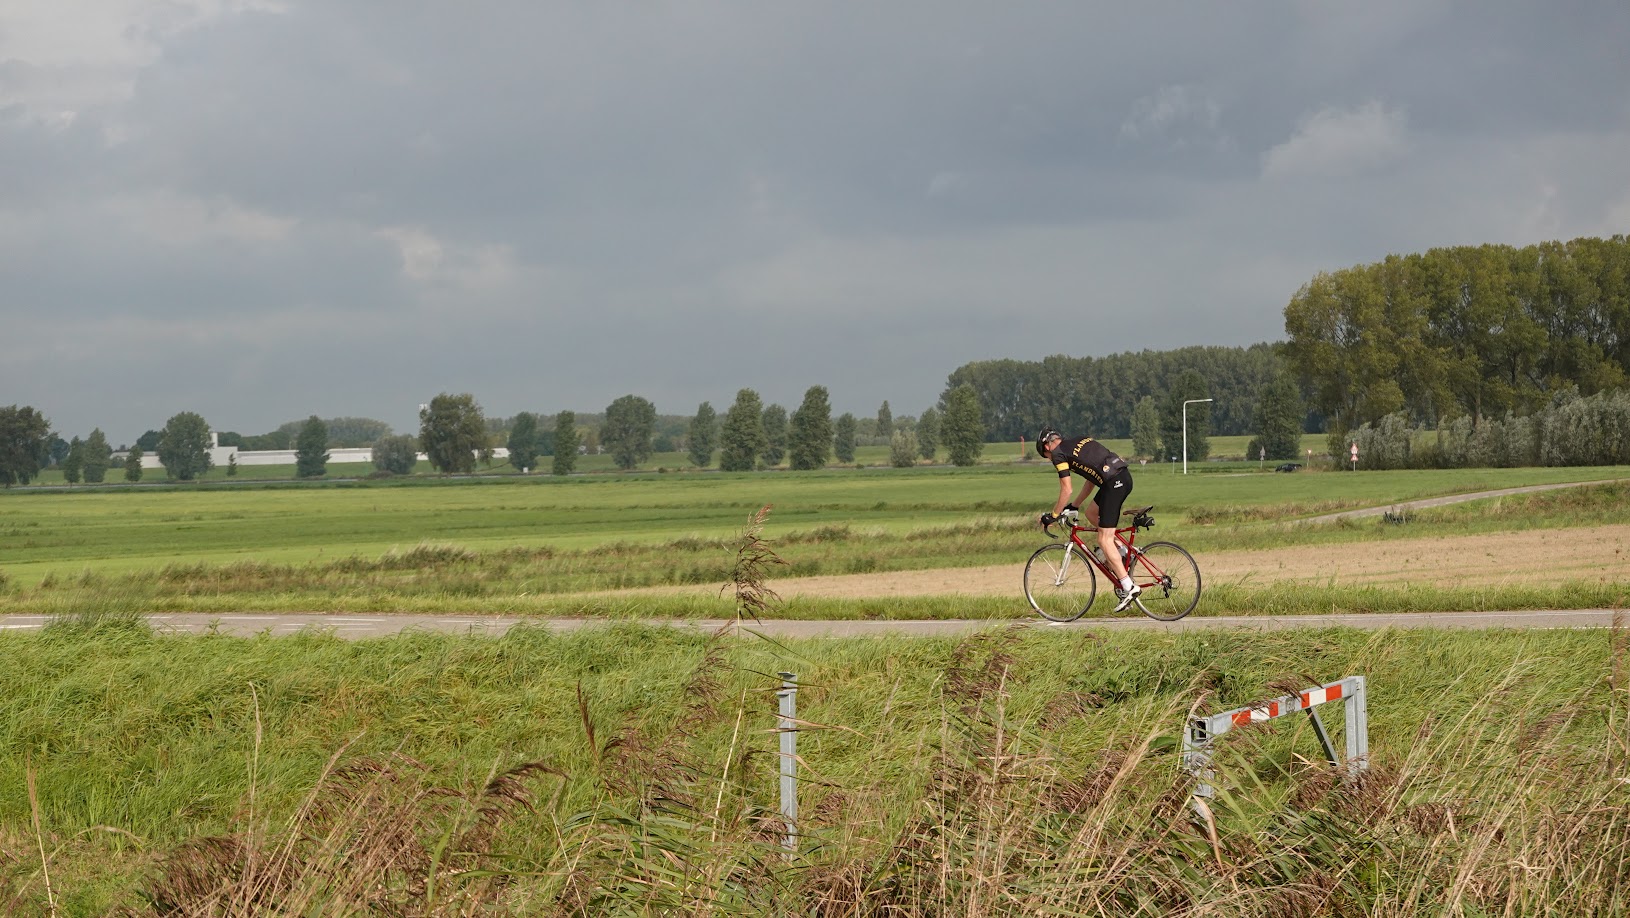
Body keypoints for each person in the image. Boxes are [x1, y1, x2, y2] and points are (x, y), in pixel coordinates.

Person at [1035, 426, 1140, 612]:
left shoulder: (1058, 454)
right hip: (1122, 477)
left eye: (1047, 456)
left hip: (1113, 483)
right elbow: (1091, 478)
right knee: (1091, 513)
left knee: (1103, 539)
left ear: (1047, 447)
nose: (1050, 459)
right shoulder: (1078, 441)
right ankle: (1123, 551)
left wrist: (1053, 515)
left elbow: (1066, 489)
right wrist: (1075, 505)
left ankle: (1128, 587)